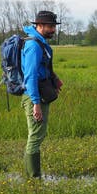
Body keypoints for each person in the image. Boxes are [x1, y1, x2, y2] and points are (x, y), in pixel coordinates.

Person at [21, 11, 63, 178]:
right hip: (34, 96)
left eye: (54, 26)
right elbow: (30, 76)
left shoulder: (41, 43)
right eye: (50, 26)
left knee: (37, 134)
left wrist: (55, 78)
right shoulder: (34, 46)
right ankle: (33, 177)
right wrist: (36, 103)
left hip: (38, 94)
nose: (53, 30)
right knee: (36, 136)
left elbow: (42, 68)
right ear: (39, 25)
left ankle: (32, 174)